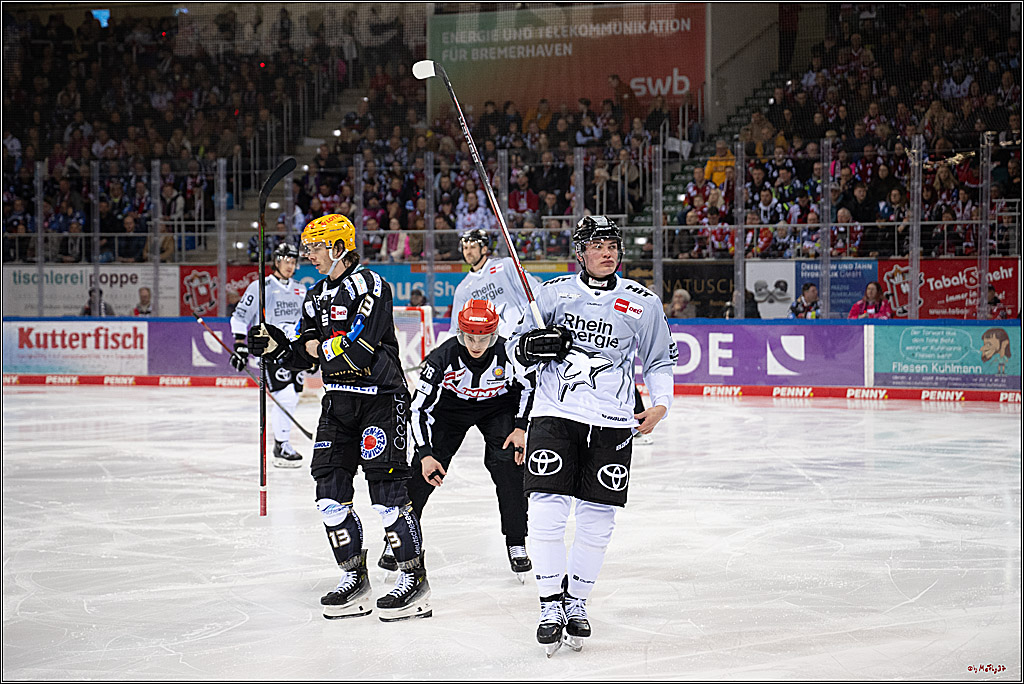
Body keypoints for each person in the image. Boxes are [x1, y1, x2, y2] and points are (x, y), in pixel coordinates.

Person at [247, 214, 431, 622]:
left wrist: (314, 346)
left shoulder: (370, 285)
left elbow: (360, 347)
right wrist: (276, 344)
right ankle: (355, 578)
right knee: (329, 496)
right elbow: (301, 352)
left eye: (315, 247)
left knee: (388, 499)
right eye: (308, 248)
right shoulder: (314, 295)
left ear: (339, 248)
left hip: (381, 400)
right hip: (338, 402)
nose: (307, 255)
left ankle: (413, 580)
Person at [507, 215, 676, 655]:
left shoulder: (642, 303)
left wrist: (660, 404)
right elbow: (513, 347)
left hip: (613, 421)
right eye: (597, 244)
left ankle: (576, 602)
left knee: (598, 520)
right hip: (555, 413)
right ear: (579, 252)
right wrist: (528, 348)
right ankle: (549, 604)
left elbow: (659, 359)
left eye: (612, 244)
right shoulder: (552, 295)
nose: (607, 251)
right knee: (545, 510)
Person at [379, 299, 534, 581]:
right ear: (460, 334)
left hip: (497, 407)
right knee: (421, 474)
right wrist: (425, 453)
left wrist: (521, 427)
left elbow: (529, 387)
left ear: (494, 335)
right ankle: (399, 538)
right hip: (451, 409)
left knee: (509, 466)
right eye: (469, 338)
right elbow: (418, 409)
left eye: (484, 338)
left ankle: (516, 541)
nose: (476, 345)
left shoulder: (510, 353)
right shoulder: (442, 357)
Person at [231, 242, 309, 467]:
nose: (290, 266)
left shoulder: (300, 289)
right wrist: (240, 345)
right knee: (285, 396)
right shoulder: (260, 287)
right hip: (270, 350)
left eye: (294, 262)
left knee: (292, 396)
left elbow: (303, 323)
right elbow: (240, 316)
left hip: (294, 351)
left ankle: (281, 442)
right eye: (286, 261)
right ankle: (281, 444)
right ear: (276, 261)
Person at [451, 229, 542, 338]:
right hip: (493, 345)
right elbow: (456, 328)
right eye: (465, 248)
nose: (468, 252)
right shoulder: (463, 288)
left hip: (521, 335)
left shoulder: (506, 265)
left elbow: (535, 291)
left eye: (473, 247)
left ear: (484, 249)